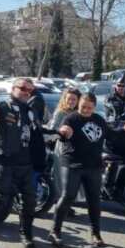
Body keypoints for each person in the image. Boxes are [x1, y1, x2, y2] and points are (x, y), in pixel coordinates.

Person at [0, 77, 45, 248]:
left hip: (26, 163)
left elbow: (38, 132)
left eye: (30, 90)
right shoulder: (3, 106)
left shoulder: (30, 111)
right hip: (5, 162)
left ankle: (26, 235)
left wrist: (59, 134)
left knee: (29, 201)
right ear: (13, 89)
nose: (27, 92)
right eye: (23, 88)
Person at [51, 92, 108, 248]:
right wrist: (64, 133)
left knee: (94, 200)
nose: (86, 110)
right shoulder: (71, 118)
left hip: (94, 165)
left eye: (89, 107)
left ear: (94, 107)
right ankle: (55, 231)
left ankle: (96, 234)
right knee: (67, 196)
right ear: (79, 105)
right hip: (73, 164)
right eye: (83, 106)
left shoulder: (99, 120)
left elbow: (111, 135)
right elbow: (64, 133)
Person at [102, 79, 125, 196]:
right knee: (113, 162)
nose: (121, 87)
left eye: (123, 85)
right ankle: (107, 187)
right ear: (115, 85)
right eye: (119, 85)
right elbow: (112, 117)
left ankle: (122, 188)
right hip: (113, 136)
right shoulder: (109, 98)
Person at [49, 87, 81, 217]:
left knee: (72, 179)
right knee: (61, 178)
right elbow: (53, 130)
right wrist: (62, 133)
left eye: (74, 99)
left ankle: (66, 205)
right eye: (69, 99)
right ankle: (61, 207)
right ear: (65, 99)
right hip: (62, 148)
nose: (71, 101)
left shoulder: (79, 113)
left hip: (76, 149)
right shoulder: (60, 113)